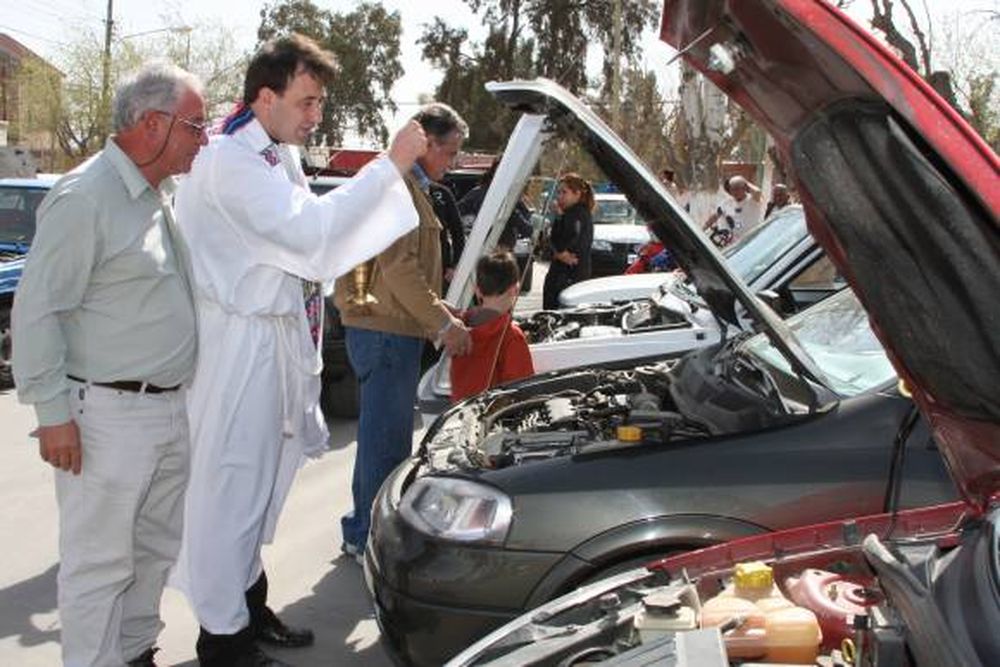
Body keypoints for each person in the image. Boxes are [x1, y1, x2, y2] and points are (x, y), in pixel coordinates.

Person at [172, 34, 427, 667]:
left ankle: (246, 604)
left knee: (263, 487)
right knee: (232, 489)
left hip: (272, 340)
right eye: (307, 101)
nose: (316, 116)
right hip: (237, 349)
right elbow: (310, 235)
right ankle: (222, 639)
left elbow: (310, 233)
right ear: (267, 96)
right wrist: (387, 166)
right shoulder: (231, 162)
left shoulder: (272, 154)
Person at [11, 62, 207, 667]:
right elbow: (38, 311)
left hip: (165, 409)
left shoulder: (156, 195)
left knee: (151, 551)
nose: (204, 139)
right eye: (195, 126)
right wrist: (52, 414)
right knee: (99, 565)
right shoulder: (86, 196)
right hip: (107, 415)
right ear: (152, 124)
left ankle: (131, 653)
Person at [334, 102, 473, 561]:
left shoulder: (409, 187)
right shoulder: (396, 187)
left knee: (381, 436)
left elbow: (406, 272)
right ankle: (371, 538)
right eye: (449, 151)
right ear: (426, 143)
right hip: (386, 331)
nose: (452, 163)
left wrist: (440, 308)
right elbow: (399, 270)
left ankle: (361, 528)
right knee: (386, 440)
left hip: (391, 326)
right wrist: (442, 323)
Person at [450, 251, 535, 402]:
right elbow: (524, 389)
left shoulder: (457, 329)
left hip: (459, 413)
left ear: (478, 291)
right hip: (493, 418)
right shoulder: (512, 336)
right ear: (514, 290)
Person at [543, 172, 595, 309]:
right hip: (568, 275)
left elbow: (562, 240)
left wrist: (558, 251)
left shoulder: (576, 214)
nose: (559, 197)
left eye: (564, 192)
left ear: (577, 194)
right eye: (559, 192)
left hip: (568, 277)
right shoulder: (574, 213)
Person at [703, 175, 763, 247]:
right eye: (732, 189)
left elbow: (758, 191)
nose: (734, 192)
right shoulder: (727, 203)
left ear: (744, 188)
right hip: (734, 244)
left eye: (737, 188)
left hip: (752, 242)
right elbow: (714, 216)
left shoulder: (753, 200)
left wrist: (745, 182)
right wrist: (702, 230)